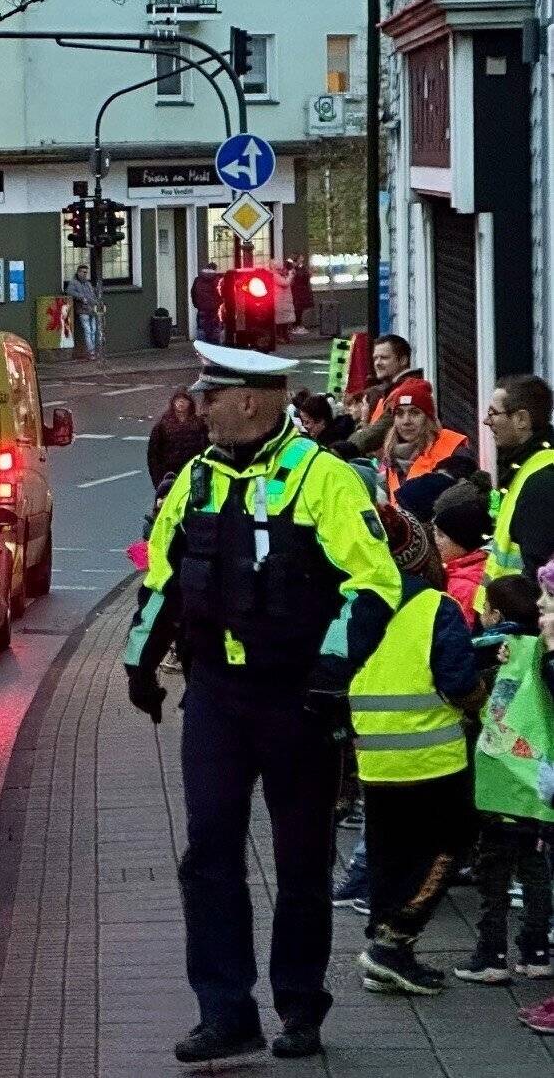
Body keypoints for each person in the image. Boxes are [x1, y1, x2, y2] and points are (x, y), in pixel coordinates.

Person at [122, 341, 402, 1064]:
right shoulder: (195, 477)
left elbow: (373, 583)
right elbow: (162, 578)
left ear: (249, 399)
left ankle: (300, 1006)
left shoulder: (322, 478)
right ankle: (225, 1011)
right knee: (207, 853)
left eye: (210, 397)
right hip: (216, 696)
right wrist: (139, 664)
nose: (198, 409)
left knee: (300, 859)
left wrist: (330, 673)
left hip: (295, 700)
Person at [348, 500, 482, 995]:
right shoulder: (434, 606)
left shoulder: (354, 601)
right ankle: (393, 943)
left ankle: (385, 952)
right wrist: (480, 702)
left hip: (375, 755)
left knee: (388, 853)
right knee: (449, 845)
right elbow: (458, 680)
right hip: (433, 756)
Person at [461, 572, 554, 996]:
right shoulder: (543, 650)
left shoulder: (493, 648)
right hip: (536, 783)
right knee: (535, 871)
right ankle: (536, 954)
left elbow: (456, 657)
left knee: (493, 874)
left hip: (497, 780)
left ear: (495, 614)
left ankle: (490, 956)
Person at [483, 377, 554, 613]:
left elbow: (537, 574)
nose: (486, 421)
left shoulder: (541, 480)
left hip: (518, 626)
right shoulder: (525, 466)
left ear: (521, 420)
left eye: (493, 413)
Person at [377, 379, 471, 500]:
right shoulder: (391, 459)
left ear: (429, 418)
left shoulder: (454, 451)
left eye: (414, 413)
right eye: (400, 413)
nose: (406, 421)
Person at [431, 476, 496, 624]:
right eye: (434, 532)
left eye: (441, 535)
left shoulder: (463, 587)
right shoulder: (462, 570)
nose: (436, 540)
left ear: (462, 539)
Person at [147, 390, 210, 488]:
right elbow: (154, 454)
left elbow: (206, 448)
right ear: (173, 402)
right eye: (178, 399)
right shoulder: (163, 424)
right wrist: (158, 481)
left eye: (184, 399)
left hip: (193, 472)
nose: (181, 402)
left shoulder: (199, 424)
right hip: (169, 473)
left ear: (190, 403)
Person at [66, 264, 101, 357]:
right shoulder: (73, 283)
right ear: (78, 272)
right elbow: (69, 291)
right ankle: (91, 352)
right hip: (83, 310)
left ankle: (93, 350)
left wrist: (96, 303)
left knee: (93, 330)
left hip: (92, 309)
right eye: (83, 272)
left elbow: (92, 295)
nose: (85, 274)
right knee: (88, 330)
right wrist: (81, 297)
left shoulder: (88, 283)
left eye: (86, 272)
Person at [191, 261, 223, 345]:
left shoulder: (198, 279)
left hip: (202, 308)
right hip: (215, 309)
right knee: (215, 328)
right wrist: (220, 304)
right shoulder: (218, 279)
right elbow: (222, 294)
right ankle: (215, 347)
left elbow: (193, 293)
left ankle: (202, 347)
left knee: (201, 329)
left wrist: (197, 304)